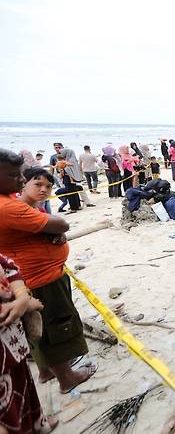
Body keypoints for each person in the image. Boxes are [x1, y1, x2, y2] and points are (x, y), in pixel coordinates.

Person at [0, 149, 96, 395]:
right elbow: (61, 223)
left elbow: (50, 229)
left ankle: (45, 371)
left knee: (39, 328)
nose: (21, 181)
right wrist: (56, 230)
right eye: (15, 176)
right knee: (55, 327)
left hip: (30, 278)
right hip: (39, 279)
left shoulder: (14, 203)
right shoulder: (10, 208)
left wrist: (54, 233)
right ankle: (67, 378)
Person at [0, 254, 59, 433]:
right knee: (6, 410)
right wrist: (23, 304)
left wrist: (22, 298)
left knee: (22, 384)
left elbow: (8, 265)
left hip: (12, 343)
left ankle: (36, 423)